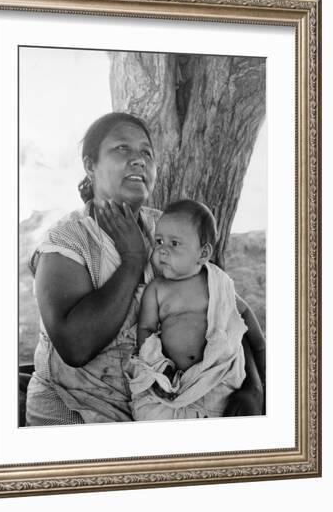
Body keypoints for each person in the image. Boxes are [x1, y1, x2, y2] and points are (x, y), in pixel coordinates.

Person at [25, 112, 264, 426]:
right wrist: (132, 260)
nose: (138, 160)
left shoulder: (166, 229)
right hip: (78, 410)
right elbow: (76, 347)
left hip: (168, 405)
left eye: (146, 153)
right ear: (90, 165)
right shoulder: (67, 241)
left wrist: (253, 386)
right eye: (122, 149)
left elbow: (223, 309)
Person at [128, 199, 266, 420]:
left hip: (216, 377)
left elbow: (244, 314)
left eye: (174, 244)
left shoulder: (216, 282)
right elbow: (145, 330)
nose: (162, 250)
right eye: (159, 241)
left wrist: (261, 354)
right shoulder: (157, 289)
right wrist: (158, 367)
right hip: (171, 381)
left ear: (203, 254)